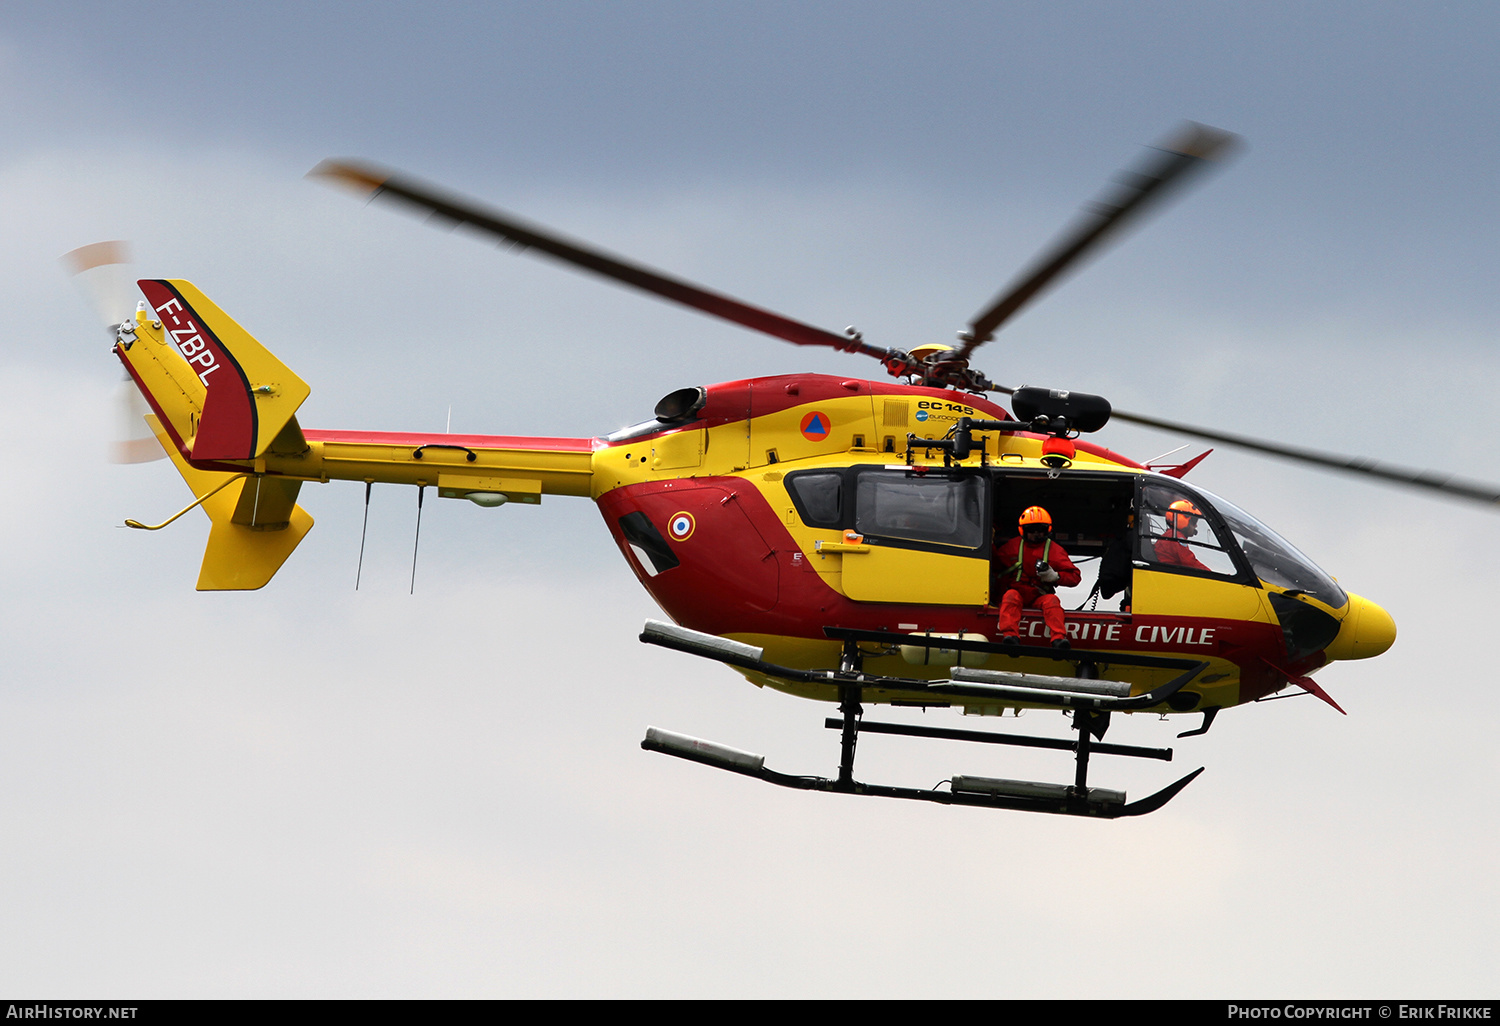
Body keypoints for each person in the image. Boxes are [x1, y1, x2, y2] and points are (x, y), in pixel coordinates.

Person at [994, 506, 1081, 650]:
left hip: (1039, 596)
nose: (1036, 534)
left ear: (1047, 530)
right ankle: (1010, 636)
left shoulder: (1055, 551)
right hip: (1017, 593)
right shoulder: (1012, 547)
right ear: (1023, 531)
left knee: (1052, 601)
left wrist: (1055, 576)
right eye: (1032, 530)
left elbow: (1075, 577)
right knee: (1010, 596)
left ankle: (1059, 639)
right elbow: (994, 564)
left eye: (1040, 530)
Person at [1153, 499, 1211, 572]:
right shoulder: (1175, 537)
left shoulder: (1169, 535)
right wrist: (1213, 575)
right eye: (1194, 522)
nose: (1196, 525)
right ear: (1182, 520)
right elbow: (1190, 562)